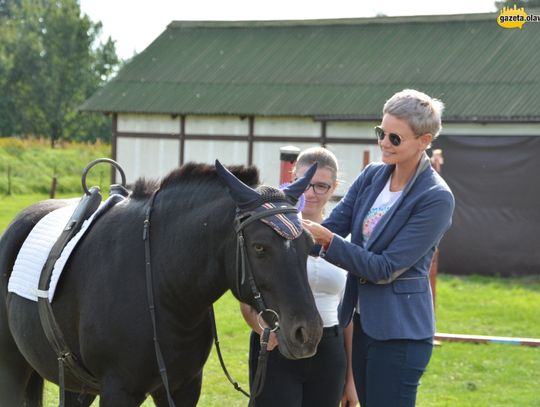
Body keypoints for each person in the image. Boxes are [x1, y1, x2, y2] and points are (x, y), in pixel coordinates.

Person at [302, 89, 455, 407]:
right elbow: (335, 224)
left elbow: (384, 268)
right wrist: (288, 234)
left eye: (395, 138)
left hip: (400, 334)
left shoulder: (436, 198)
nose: (384, 143)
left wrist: (327, 242)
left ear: (424, 140)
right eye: (381, 133)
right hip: (361, 326)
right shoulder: (373, 175)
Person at [240, 147, 359, 407]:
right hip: (278, 344)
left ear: (334, 187)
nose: (311, 193)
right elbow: (247, 297)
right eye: (305, 183)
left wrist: (351, 380)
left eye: (322, 186)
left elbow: (347, 315)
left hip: (329, 350)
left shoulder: (344, 241)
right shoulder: (270, 235)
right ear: (293, 179)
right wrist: (262, 330)